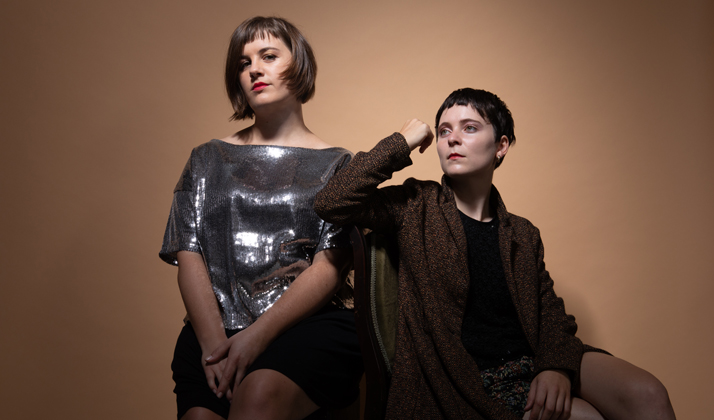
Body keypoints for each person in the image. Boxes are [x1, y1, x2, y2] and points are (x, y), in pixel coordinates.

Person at [314, 88, 676, 420]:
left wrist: (555, 367)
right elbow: (331, 201)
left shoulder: (522, 233)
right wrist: (402, 141)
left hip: (534, 357)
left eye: (469, 128)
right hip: (470, 376)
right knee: (586, 418)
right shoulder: (415, 206)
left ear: (501, 145)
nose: (452, 138)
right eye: (443, 131)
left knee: (648, 393)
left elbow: (549, 312)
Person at [159, 17, 362, 420]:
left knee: (258, 396)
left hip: (307, 327)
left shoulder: (338, 164)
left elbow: (330, 266)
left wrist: (255, 338)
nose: (254, 69)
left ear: (299, 64)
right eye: (243, 62)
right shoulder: (205, 159)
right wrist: (214, 346)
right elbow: (188, 253)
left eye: (268, 56)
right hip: (213, 328)